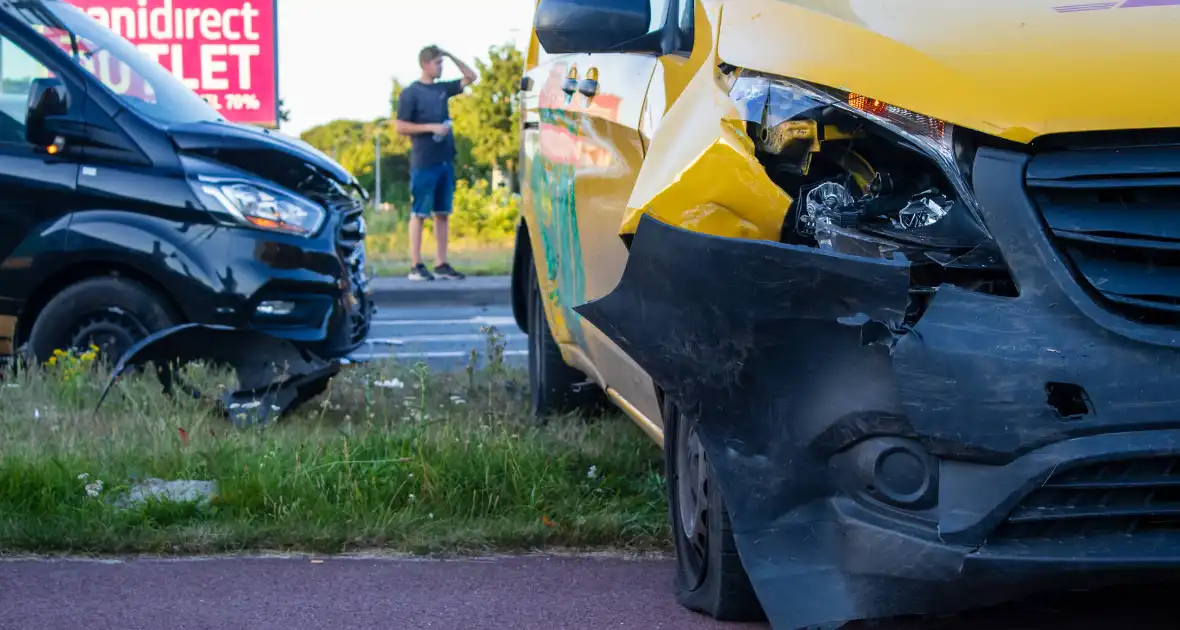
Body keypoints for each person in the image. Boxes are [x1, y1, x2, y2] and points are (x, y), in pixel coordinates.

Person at [394, 45, 478, 281]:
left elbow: (471, 77)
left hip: (444, 160)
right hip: (424, 161)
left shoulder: (443, 88)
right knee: (420, 212)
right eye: (438, 63)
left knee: (442, 213)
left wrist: (451, 55)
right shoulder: (411, 93)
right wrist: (431, 127)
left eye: (442, 63)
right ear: (425, 64)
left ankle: (441, 263)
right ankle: (415, 265)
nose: (441, 67)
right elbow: (400, 126)